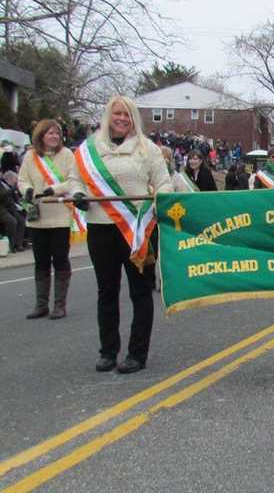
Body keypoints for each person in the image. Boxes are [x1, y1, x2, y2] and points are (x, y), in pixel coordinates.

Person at [72, 95, 172, 373]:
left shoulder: (147, 148)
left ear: (134, 119)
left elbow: (163, 182)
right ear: (108, 116)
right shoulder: (88, 149)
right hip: (101, 228)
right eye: (117, 114)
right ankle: (108, 351)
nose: (122, 119)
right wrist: (77, 195)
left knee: (140, 292)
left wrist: (160, 200)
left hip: (136, 230)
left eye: (127, 115)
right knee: (107, 291)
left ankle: (137, 353)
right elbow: (74, 180)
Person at [18, 119, 77, 319]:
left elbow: (73, 180)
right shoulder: (30, 156)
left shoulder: (67, 154)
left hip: (59, 214)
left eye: (57, 133)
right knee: (40, 260)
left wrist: (55, 189)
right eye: (50, 133)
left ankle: (59, 305)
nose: (54, 137)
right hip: (38, 215)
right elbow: (22, 179)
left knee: (60, 259)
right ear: (41, 135)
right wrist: (26, 190)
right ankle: (41, 304)